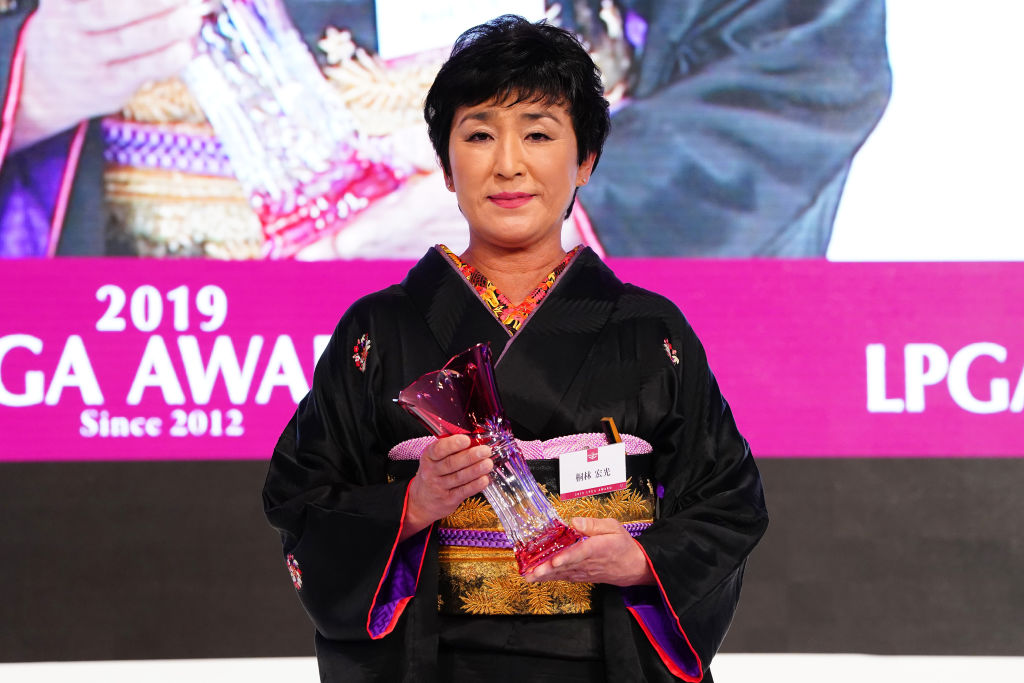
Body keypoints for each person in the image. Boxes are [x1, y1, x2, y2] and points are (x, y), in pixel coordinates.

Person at [263, 14, 767, 682]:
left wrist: (641, 562)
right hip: (434, 664)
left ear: (585, 159)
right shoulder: (377, 330)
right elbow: (301, 496)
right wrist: (413, 505)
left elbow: (728, 500)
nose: (508, 164)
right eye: (478, 135)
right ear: (445, 165)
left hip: (604, 663)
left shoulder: (652, 331)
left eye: (538, 133)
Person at [1, 0, 890, 259]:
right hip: (162, 394)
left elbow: (802, 63)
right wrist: (23, 75)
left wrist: (572, 211)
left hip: (569, 402)